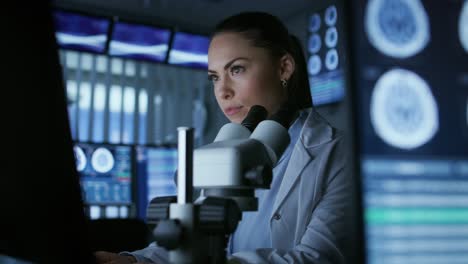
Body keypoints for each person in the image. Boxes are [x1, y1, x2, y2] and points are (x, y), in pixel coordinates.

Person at [95, 11, 352, 264]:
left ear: (284, 68)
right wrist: (135, 261)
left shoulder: (338, 153)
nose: (222, 90)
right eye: (215, 77)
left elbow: (321, 257)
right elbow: (193, 240)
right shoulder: (226, 154)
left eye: (237, 69)